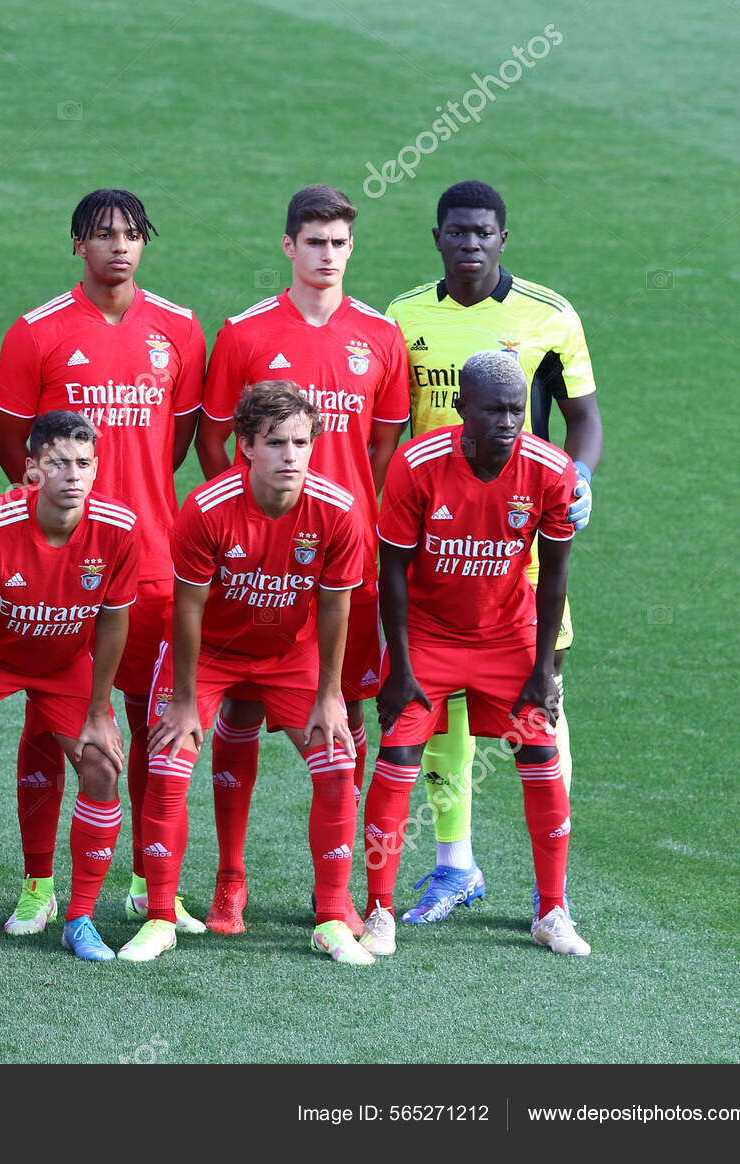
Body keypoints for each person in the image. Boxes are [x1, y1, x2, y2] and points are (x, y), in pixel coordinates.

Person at [0, 188, 206, 936]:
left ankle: (153, 885)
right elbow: (12, 449)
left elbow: (174, 448)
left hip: (146, 563)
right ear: (76, 244)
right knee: (51, 726)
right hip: (53, 571)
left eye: (132, 234)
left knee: (149, 727)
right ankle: (37, 882)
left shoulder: (178, 329)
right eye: (103, 234)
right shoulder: (35, 333)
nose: (119, 246)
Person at [385, 180, 602, 924]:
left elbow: (585, 418)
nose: (470, 243)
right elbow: (389, 429)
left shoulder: (549, 315)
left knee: (544, 697)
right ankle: (454, 864)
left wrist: (579, 480)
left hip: (522, 541)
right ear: (438, 237)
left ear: (503, 238)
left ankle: (555, 890)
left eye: (484, 232)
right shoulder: (404, 315)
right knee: (434, 707)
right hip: (435, 542)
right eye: (457, 231)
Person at [195, 184, 408, 935]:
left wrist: (342, 517)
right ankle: (229, 879)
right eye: (313, 242)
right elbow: (217, 444)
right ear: (288, 246)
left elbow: (382, 450)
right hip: (259, 566)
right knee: (244, 708)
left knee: (344, 721)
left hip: (343, 566)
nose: (327, 255)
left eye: (339, 243)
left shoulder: (380, 336)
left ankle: (343, 894)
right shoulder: (247, 332)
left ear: (352, 248)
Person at [359, 351, 589, 958]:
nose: (509, 422)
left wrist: (543, 671)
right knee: (398, 757)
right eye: (495, 410)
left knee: (540, 754)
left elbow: (555, 576)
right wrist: (399, 668)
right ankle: (379, 909)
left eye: (517, 410)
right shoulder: (417, 464)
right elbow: (394, 572)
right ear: (462, 408)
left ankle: (552, 909)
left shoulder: (550, 469)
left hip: (507, 637)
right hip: (429, 637)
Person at [131, 382, 367, 964]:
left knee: (337, 764)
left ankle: (332, 916)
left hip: (289, 655)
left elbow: (336, 607)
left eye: (301, 442)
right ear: (245, 447)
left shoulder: (337, 511)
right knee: (167, 762)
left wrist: (331, 695)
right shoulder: (207, 510)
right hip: (207, 654)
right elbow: (186, 609)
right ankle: (159, 915)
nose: (291, 455)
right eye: (276, 443)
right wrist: (185, 701)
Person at [0, 411, 137, 964]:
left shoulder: (119, 526)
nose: (73, 475)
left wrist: (99, 710)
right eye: (58, 463)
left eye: (85, 464)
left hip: (64, 658)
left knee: (102, 763)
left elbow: (114, 622)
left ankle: (80, 918)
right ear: (32, 470)